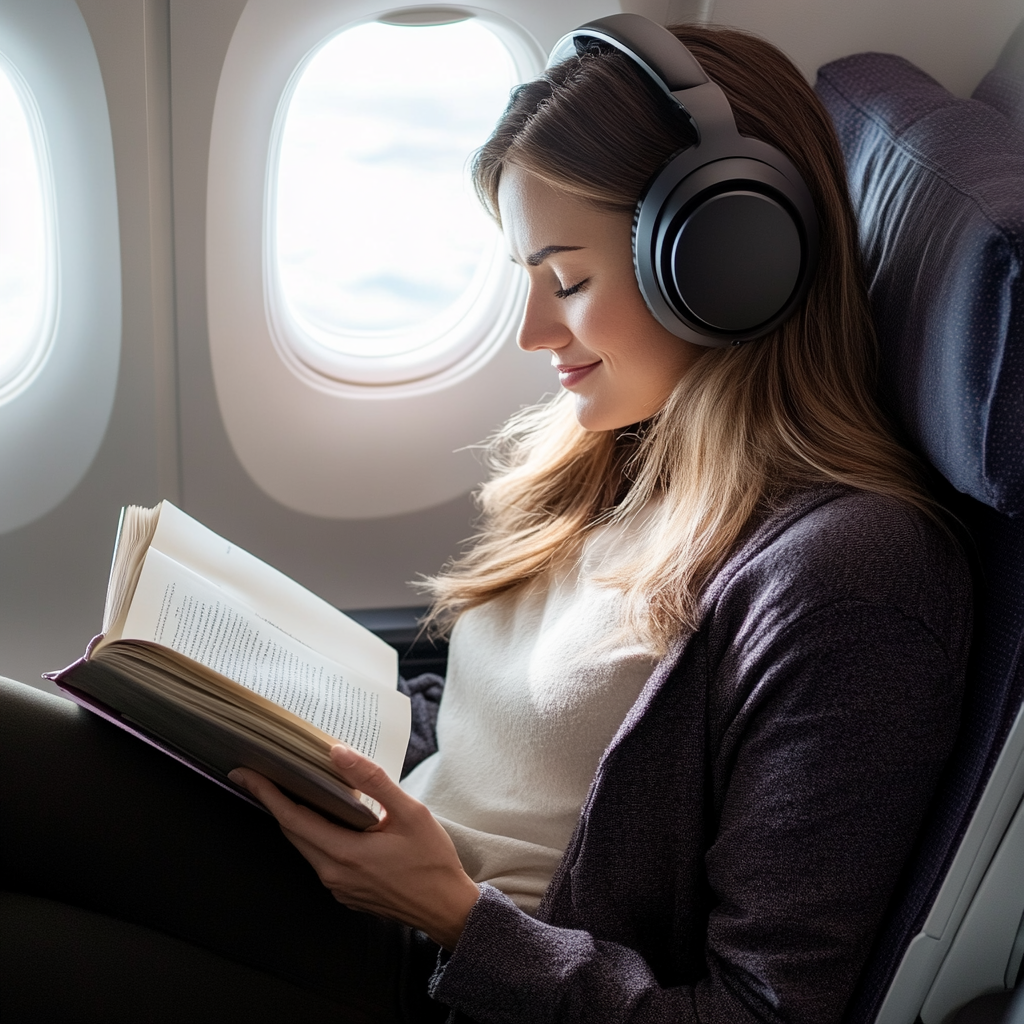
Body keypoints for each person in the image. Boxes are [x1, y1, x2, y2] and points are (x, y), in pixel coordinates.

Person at [0, 17, 970, 1024]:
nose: (532, 332)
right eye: (527, 278)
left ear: (730, 261)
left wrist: (457, 916)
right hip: (365, 870)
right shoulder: (628, 453)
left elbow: (758, 1014)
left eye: (571, 280)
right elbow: (514, 751)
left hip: (441, 979)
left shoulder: (851, 580)